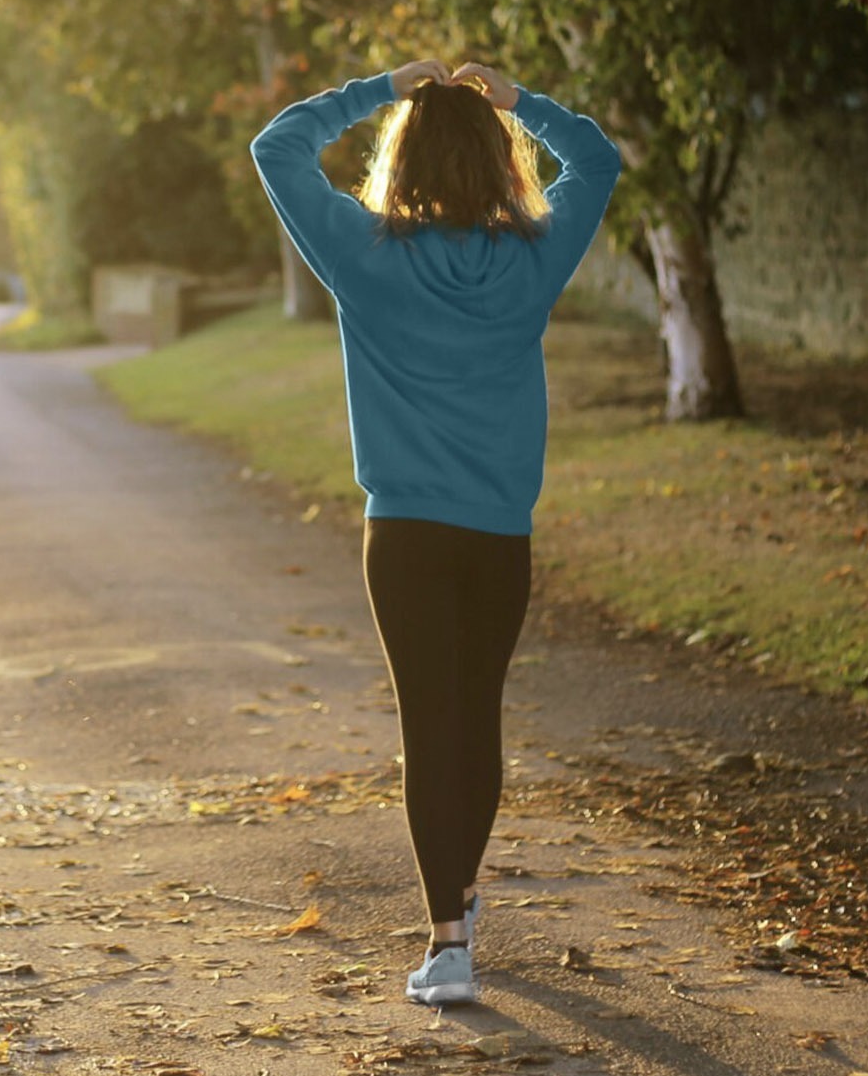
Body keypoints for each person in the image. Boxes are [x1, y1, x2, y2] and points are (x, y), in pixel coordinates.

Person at [249, 58, 622, 1006]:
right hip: (498, 533)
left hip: (405, 535)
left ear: (403, 160)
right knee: (477, 718)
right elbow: (599, 160)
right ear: (499, 163)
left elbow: (277, 146)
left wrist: (380, 87)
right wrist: (520, 103)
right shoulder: (532, 256)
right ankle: (456, 906)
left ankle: (448, 941)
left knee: (430, 725)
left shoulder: (365, 254)